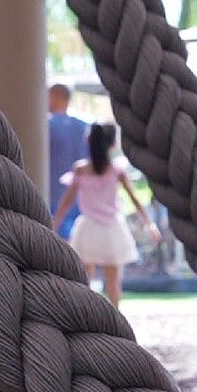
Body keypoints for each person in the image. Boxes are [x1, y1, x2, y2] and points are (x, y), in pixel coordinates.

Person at [53, 122, 161, 307]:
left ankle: (84, 319)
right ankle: (115, 320)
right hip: (112, 229)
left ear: (89, 142)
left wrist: (54, 224)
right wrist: (149, 224)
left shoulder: (81, 170)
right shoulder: (116, 171)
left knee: (84, 281)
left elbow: (66, 202)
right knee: (113, 283)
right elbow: (135, 200)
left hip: (87, 229)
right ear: (113, 144)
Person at [48, 82, 89, 239]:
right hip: (83, 199)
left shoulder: (46, 126)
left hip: (54, 197)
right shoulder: (84, 126)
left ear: (55, 96)